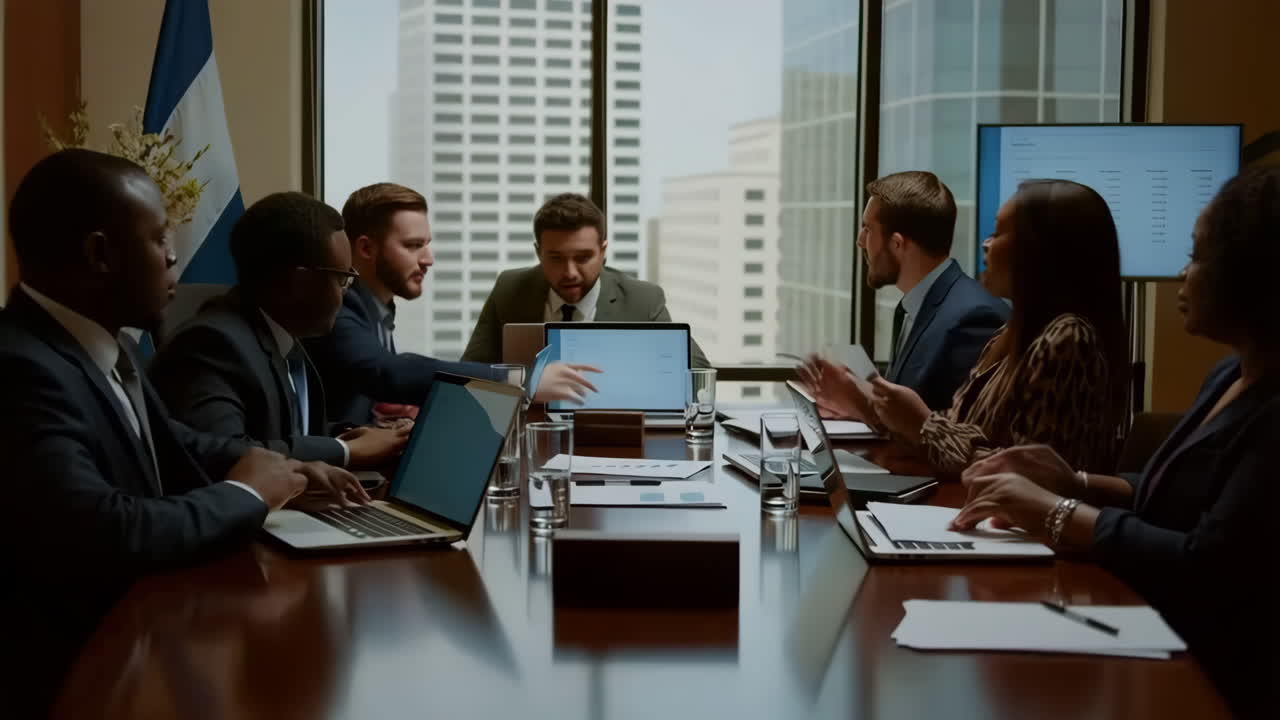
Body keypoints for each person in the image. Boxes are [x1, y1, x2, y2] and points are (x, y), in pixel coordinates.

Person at [0, 149, 363, 715]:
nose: (175, 257)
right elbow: (106, 533)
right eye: (159, 238)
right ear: (99, 254)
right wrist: (246, 494)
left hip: (139, 639)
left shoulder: (103, 345)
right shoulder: (21, 368)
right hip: (68, 677)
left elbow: (179, 444)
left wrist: (285, 472)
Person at [951, 167, 1280, 719]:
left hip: (1216, 680)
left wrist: (1058, 513)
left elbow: (1205, 564)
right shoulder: (1227, 376)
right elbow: (1168, 494)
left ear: (1251, 274)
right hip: (1155, 633)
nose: (1182, 275)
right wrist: (1072, 481)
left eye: (1196, 257)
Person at [807, 179, 1127, 474]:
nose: (986, 245)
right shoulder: (1010, 335)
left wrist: (921, 423)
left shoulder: (1067, 339)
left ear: (1041, 252)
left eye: (999, 233)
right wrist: (871, 404)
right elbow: (959, 429)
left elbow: (1031, 476)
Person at [305, 183, 600, 426]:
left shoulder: (377, 309)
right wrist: (522, 380)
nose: (428, 258)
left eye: (426, 243)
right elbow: (386, 372)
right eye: (412, 245)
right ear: (366, 248)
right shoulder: (337, 307)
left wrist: (391, 414)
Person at [150, 192, 408, 469]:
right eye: (342, 278)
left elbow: (289, 432)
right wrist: (344, 450)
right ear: (301, 283)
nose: (346, 293)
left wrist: (361, 436)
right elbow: (228, 453)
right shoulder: (212, 345)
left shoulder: (282, 338)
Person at [806, 171, 1007, 415]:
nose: (860, 241)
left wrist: (862, 407)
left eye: (867, 229)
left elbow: (950, 434)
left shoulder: (975, 319)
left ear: (897, 244)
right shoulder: (913, 307)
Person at [461, 192, 710, 367]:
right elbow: (470, 371)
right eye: (556, 258)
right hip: (532, 425)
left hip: (612, 422)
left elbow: (698, 369)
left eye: (582, 257)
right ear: (539, 253)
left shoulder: (642, 300)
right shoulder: (509, 289)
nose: (570, 272)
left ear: (602, 252)